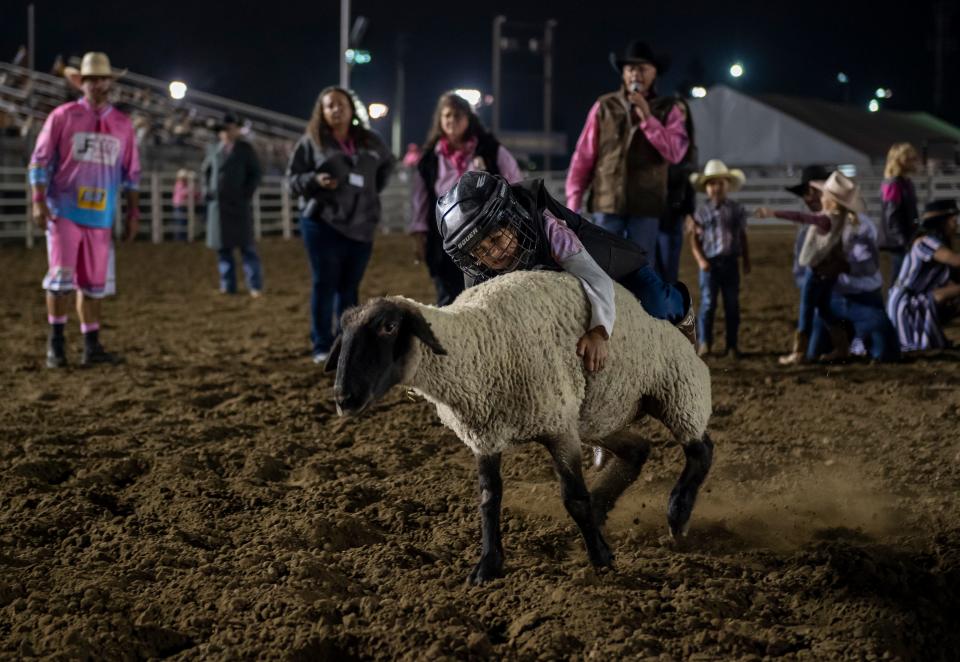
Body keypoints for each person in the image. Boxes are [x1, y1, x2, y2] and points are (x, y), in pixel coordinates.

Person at [436, 171, 697, 374]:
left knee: (656, 301)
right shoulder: (479, 274)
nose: (492, 254)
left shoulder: (549, 227)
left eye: (495, 239)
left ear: (512, 218)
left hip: (605, 266)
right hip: (565, 292)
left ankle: (682, 309)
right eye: (480, 251)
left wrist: (599, 332)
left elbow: (595, 278)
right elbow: (472, 322)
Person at [28, 52, 140, 368]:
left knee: (94, 284)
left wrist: (133, 213)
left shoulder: (123, 125)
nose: (97, 84)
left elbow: (132, 173)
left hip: (101, 216)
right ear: (83, 83)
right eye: (91, 79)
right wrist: (38, 200)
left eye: (101, 79)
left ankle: (91, 345)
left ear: (109, 83)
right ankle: (57, 344)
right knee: (61, 279)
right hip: (64, 209)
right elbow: (40, 160)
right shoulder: (63, 117)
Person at [287, 86, 394, 363]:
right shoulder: (311, 142)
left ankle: (344, 341)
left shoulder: (371, 141)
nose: (336, 109)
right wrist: (314, 180)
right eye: (329, 105)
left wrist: (370, 190)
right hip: (322, 223)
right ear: (321, 112)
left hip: (361, 224)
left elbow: (386, 166)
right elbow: (292, 181)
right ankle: (322, 343)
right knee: (325, 283)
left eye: (341, 104)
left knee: (350, 286)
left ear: (351, 108)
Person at [566, 40, 690, 265]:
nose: (636, 74)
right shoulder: (604, 106)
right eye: (630, 68)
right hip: (607, 204)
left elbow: (676, 153)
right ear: (623, 73)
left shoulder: (668, 109)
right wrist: (574, 200)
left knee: (641, 269)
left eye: (643, 68)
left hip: (646, 206)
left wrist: (648, 118)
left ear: (655, 73)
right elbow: (583, 156)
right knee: (603, 267)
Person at [410, 92, 522, 306]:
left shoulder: (491, 150)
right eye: (447, 115)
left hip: (488, 239)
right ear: (440, 120)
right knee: (447, 299)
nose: (452, 120)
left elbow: (514, 183)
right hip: (443, 242)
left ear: (468, 119)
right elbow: (420, 200)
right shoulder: (429, 160)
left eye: (458, 116)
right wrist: (418, 235)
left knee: (488, 299)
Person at [756, 172, 864, 364]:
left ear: (830, 201)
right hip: (828, 273)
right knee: (824, 309)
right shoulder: (841, 220)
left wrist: (773, 213)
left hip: (816, 271)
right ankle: (842, 348)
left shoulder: (825, 220)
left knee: (806, 309)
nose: (821, 197)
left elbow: (800, 217)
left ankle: (799, 352)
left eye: (824, 195)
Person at [806, 211, 901, 363]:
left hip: (863, 300)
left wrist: (842, 267)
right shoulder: (817, 225)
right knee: (813, 354)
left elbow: (869, 266)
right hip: (832, 300)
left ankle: (851, 340)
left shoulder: (862, 226)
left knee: (887, 354)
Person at [688, 160, 750, 358]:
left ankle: (732, 344)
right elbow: (694, 240)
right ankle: (706, 342)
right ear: (706, 188)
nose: (716, 188)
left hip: (730, 262)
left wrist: (746, 259)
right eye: (712, 184)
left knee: (732, 304)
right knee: (708, 304)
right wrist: (701, 260)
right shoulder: (701, 212)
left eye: (720, 183)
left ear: (727, 185)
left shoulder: (736, 210)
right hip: (710, 264)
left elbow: (742, 235)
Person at [887, 200, 960, 351]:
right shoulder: (925, 242)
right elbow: (956, 261)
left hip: (914, 300)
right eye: (953, 221)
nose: (956, 225)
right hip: (907, 302)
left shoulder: (933, 243)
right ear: (942, 223)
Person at [656, 97, 697, 283]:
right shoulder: (655, 143)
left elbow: (690, 185)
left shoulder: (690, 150)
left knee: (668, 271)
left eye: (683, 111)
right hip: (648, 214)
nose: (679, 115)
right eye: (674, 111)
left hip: (672, 215)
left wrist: (689, 213)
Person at [877, 143, 921, 287]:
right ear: (901, 161)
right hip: (898, 245)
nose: (915, 161)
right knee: (899, 280)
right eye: (911, 159)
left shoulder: (905, 183)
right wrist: (904, 242)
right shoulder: (894, 185)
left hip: (905, 241)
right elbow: (892, 218)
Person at [172, 168, 198, 241]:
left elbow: (193, 194)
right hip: (179, 205)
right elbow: (184, 193)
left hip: (183, 206)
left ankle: (183, 237)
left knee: (183, 222)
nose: (183, 179)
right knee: (180, 222)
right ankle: (179, 238)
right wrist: (191, 190)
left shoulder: (184, 184)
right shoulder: (179, 184)